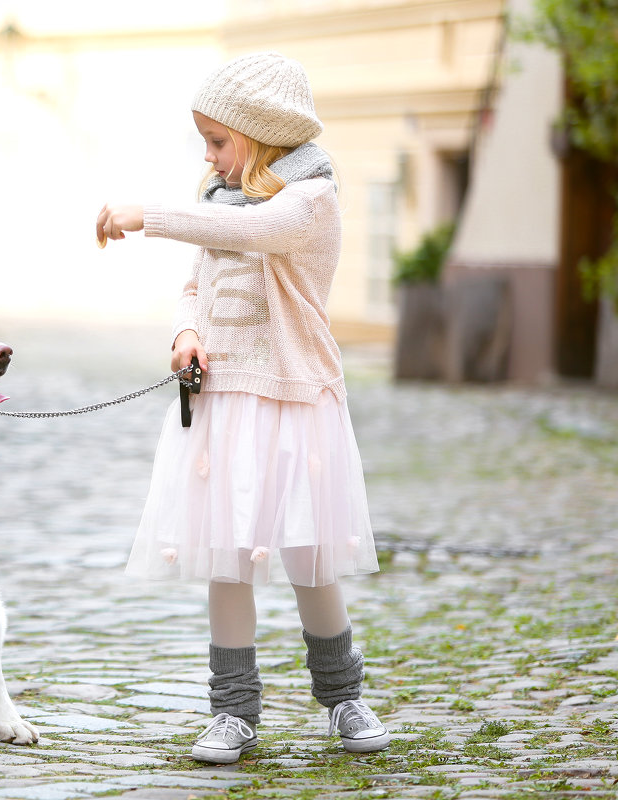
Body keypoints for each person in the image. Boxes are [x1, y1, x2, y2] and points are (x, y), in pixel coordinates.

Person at [96, 51, 390, 764]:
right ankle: (233, 713)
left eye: (218, 140)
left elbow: (254, 233)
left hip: (294, 401)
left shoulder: (310, 200)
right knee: (228, 557)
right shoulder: (217, 204)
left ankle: (344, 697)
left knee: (308, 555)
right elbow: (196, 281)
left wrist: (150, 216)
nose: (208, 155)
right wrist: (186, 332)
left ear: (261, 135)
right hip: (227, 402)